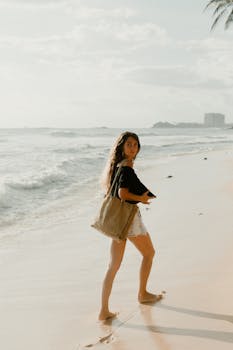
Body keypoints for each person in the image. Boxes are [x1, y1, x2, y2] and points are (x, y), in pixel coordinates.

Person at [98, 131, 162, 321]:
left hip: (118, 222)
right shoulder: (126, 168)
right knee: (149, 254)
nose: (133, 147)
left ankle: (104, 311)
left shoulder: (117, 166)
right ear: (122, 147)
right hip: (129, 221)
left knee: (113, 266)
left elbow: (118, 192)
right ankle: (142, 294)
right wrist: (141, 198)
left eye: (135, 144)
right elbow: (123, 193)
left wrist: (143, 195)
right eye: (129, 144)